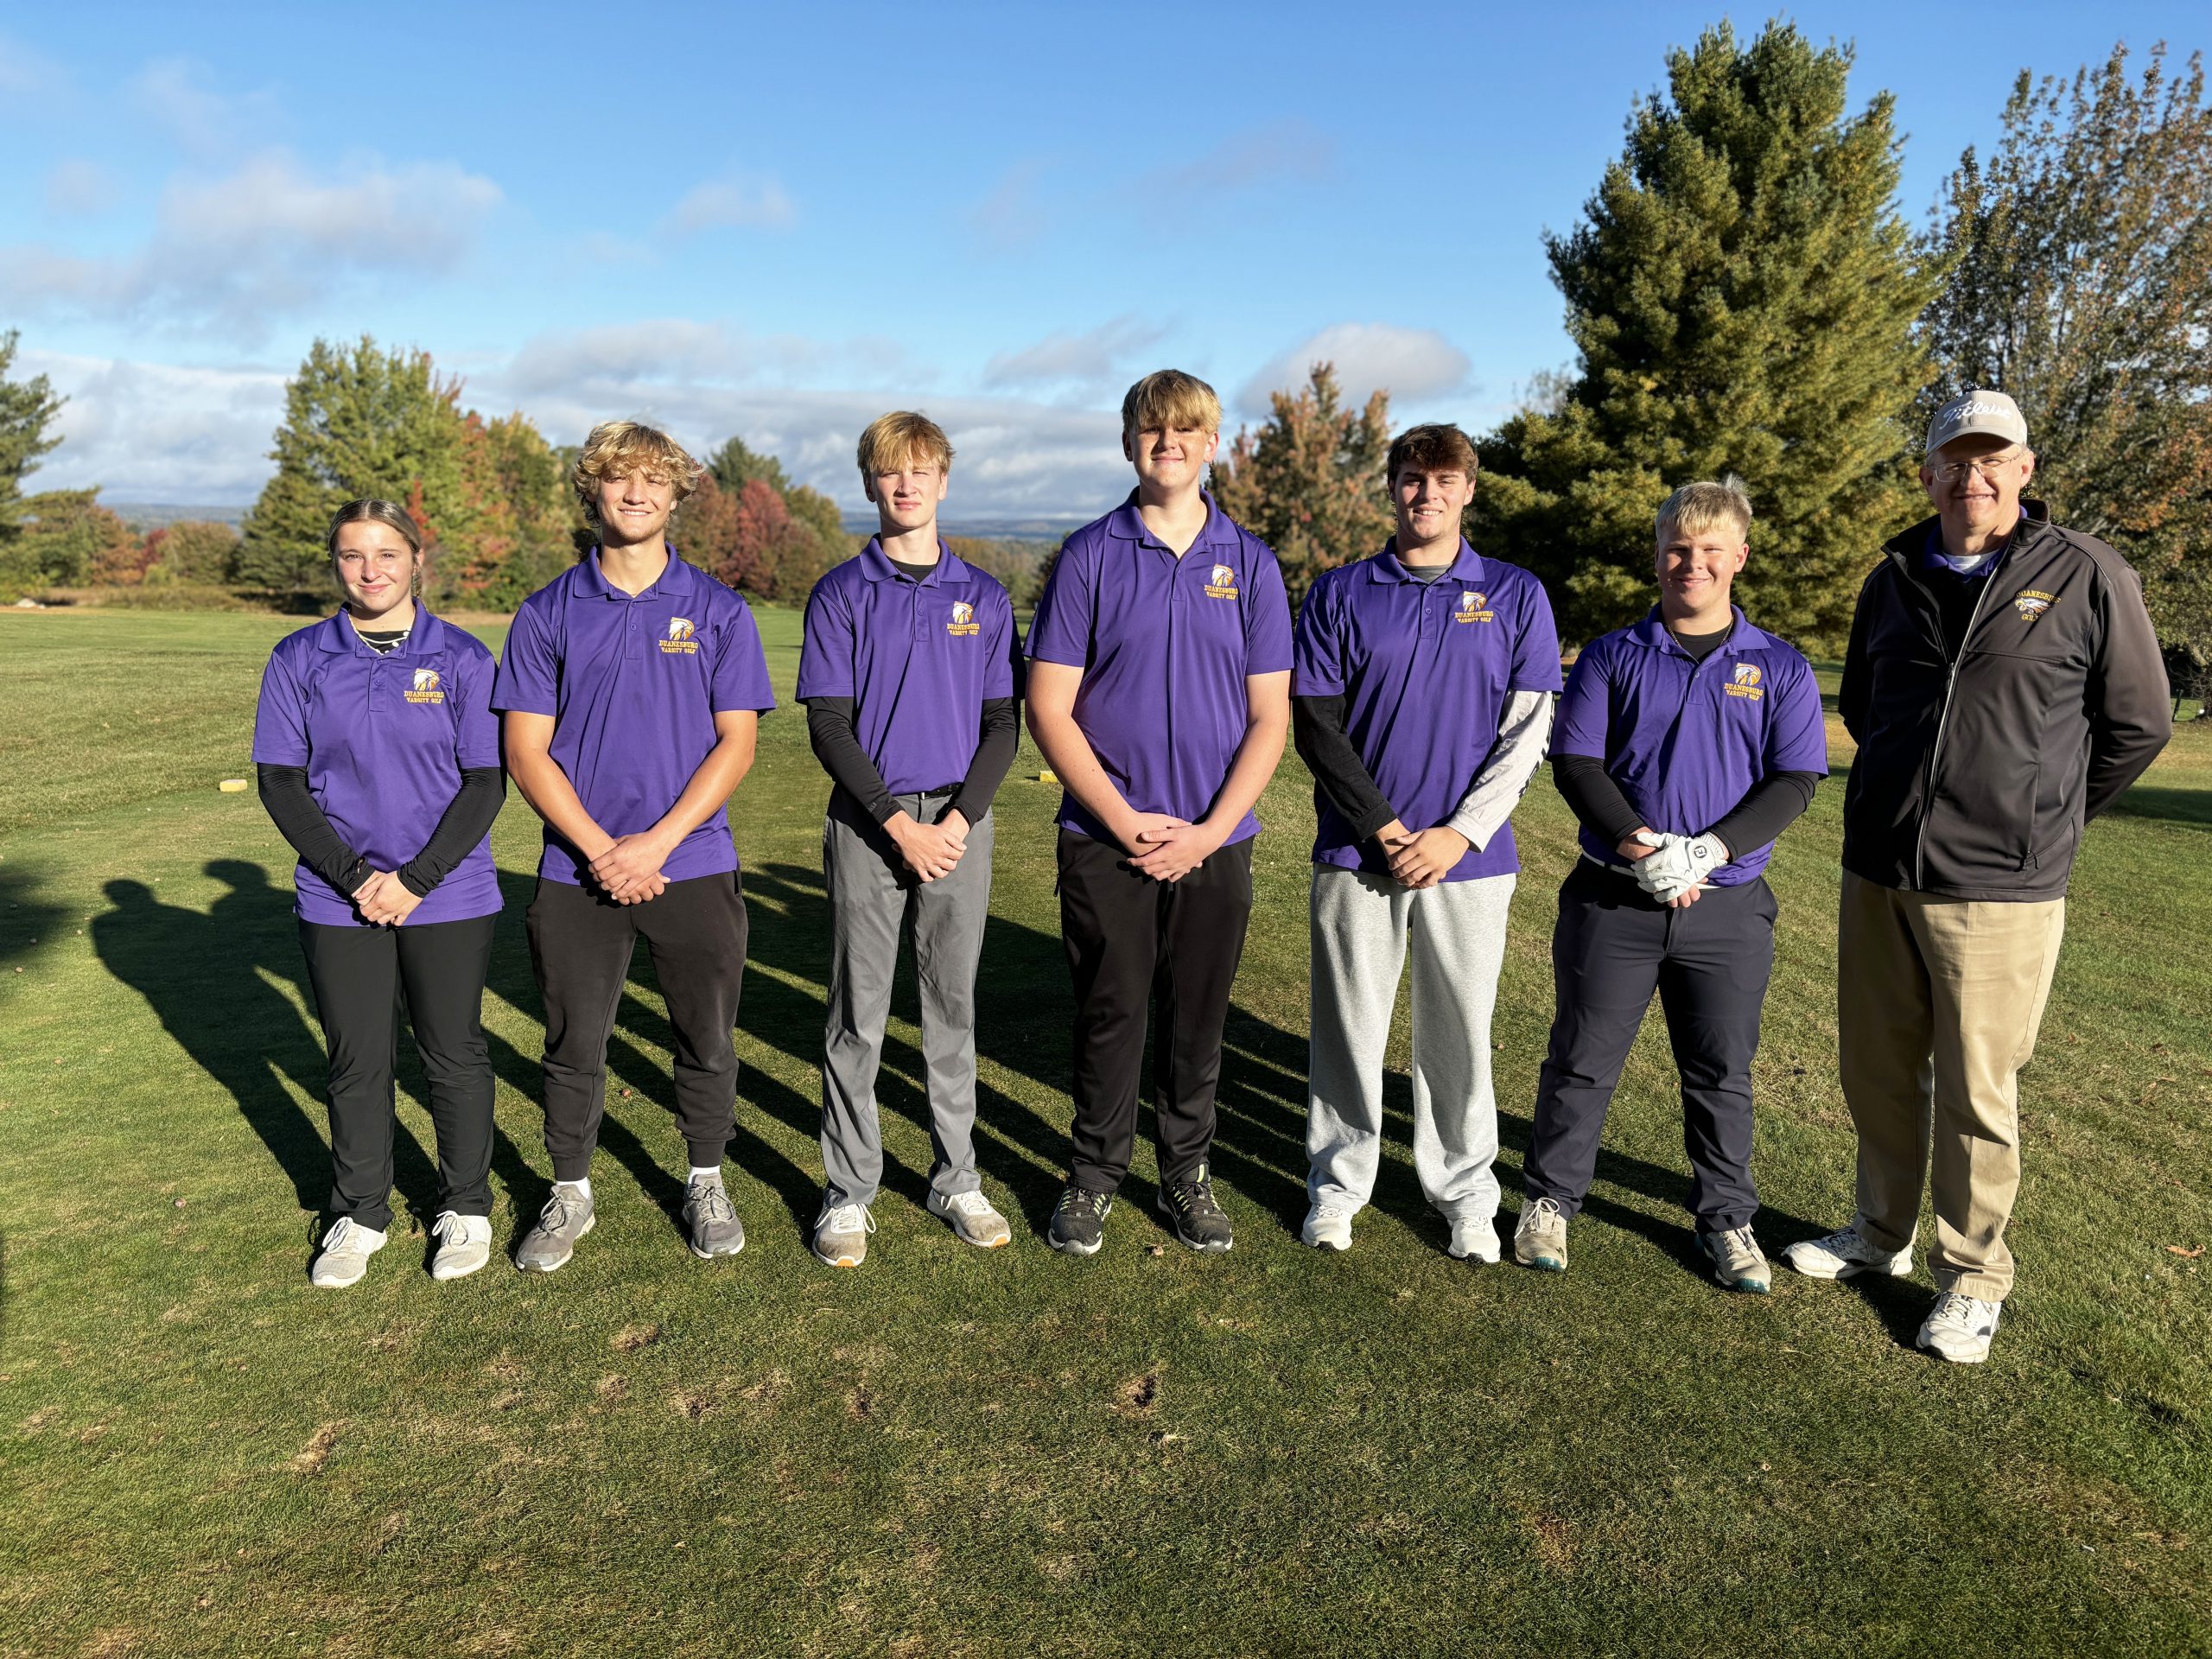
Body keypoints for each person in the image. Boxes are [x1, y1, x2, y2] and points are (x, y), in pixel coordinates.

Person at [1785, 390, 2171, 1361]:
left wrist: (2046, 819)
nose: (1973, 475)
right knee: (1874, 1069)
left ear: (2025, 470)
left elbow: (2138, 723)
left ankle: (1972, 1278)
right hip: (1880, 867)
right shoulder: (1893, 576)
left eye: (1992, 457)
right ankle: (1880, 1234)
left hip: (2000, 884)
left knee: (1975, 1089)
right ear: (1925, 472)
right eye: (1955, 459)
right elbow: (1872, 709)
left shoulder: (2086, 573)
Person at [1516, 477, 1827, 1293]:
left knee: (1721, 1071)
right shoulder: (1614, 656)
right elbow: (1576, 758)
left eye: (1710, 551)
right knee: (1582, 1060)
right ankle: (1550, 1202)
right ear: (1656, 556)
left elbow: (1795, 778)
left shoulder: (1780, 666)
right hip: (1613, 897)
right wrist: (1639, 843)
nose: (1692, 564)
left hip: (1727, 908)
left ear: (1739, 559)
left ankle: (1726, 1219)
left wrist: (1712, 851)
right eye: (1678, 549)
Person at [493, 421, 777, 1272]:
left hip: (691, 862)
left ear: (677, 494)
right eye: (620, 479)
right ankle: (570, 1192)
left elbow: (737, 743)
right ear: (593, 488)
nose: (637, 494)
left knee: (706, 1039)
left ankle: (704, 1178)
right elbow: (523, 750)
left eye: (655, 480)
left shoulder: (719, 611)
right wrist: (601, 849)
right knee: (575, 1043)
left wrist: (654, 843)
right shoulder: (547, 612)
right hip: (574, 872)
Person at [1024, 369, 1293, 1255]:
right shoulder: (1089, 555)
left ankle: (1186, 1174)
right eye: (1150, 429)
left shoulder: (1248, 563)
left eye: (1184, 430)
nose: (1166, 442)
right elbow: (1049, 706)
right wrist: (1121, 817)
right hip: (1105, 838)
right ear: (1128, 441)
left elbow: (1269, 715)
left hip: (1216, 840)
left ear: (1211, 444)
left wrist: (1211, 832)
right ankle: (1094, 1176)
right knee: (1111, 1012)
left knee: (1197, 1016)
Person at [1292, 423, 1560, 1262]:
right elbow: (1315, 723)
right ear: (1392, 488)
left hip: (1471, 863)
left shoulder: (1516, 594)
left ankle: (1466, 1199)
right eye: (1412, 479)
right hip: (1355, 853)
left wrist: (1455, 834)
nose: (1427, 494)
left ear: (1469, 489)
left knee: (1458, 1033)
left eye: (1444, 479)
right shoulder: (1341, 592)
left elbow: (1527, 732)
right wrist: (1382, 826)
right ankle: (1337, 1188)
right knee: (1349, 1031)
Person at [252, 499, 507, 1287]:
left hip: (449, 893)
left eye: (386, 555)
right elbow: (281, 782)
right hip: (339, 897)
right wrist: (360, 880)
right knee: (357, 1059)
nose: (370, 570)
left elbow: (486, 782)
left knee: (452, 1053)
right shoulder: (299, 657)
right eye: (353, 556)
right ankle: (359, 1211)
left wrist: (416, 881)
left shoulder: (463, 658)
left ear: (415, 559)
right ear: (335, 564)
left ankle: (465, 1207)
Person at [796, 411, 1023, 1268]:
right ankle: (848, 1190)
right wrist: (897, 822)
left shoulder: (985, 595)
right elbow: (829, 724)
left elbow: (1003, 723)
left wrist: (956, 821)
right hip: (868, 825)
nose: (906, 485)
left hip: (960, 825)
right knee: (857, 1013)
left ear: (942, 481)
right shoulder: (841, 592)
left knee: (950, 1009)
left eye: (921, 470)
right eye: (890, 472)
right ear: (870, 484)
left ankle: (956, 1176)